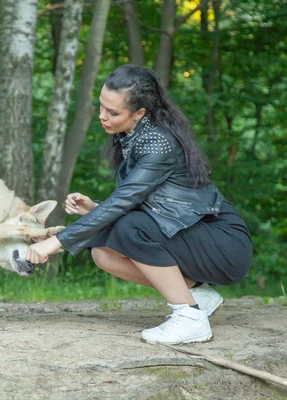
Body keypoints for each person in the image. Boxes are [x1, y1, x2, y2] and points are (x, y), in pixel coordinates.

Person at [27, 65, 252, 345]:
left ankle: (189, 319)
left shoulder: (159, 144)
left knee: (127, 228)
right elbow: (147, 207)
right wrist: (95, 208)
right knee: (103, 252)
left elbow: (127, 206)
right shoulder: (131, 136)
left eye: (113, 113)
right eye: (102, 107)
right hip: (187, 235)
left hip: (222, 242)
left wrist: (55, 242)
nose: (102, 116)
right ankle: (196, 296)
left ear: (139, 113)